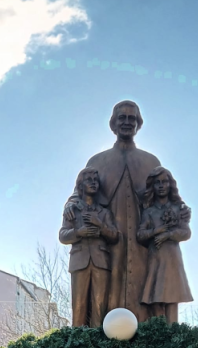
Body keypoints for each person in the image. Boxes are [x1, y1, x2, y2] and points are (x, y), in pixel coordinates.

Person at [70, 101, 161, 320]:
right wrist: (69, 205)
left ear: (138, 124)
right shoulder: (97, 161)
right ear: (113, 124)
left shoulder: (150, 162)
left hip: (141, 240)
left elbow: (165, 196)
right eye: (122, 118)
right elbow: (78, 191)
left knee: (141, 288)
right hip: (105, 239)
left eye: (132, 119)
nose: (127, 123)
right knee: (104, 293)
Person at [59, 168, 119, 327]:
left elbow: (114, 235)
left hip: (101, 262)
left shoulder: (104, 212)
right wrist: (79, 232)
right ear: (81, 185)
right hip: (79, 261)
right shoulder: (72, 210)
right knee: (79, 306)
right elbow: (63, 235)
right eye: (89, 180)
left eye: (95, 180)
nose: (93, 183)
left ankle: (98, 345)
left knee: (100, 307)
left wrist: (100, 225)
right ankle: (78, 344)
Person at [136, 167, 193, 323]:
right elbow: (140, 235)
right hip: (156, 258)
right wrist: (156, 231)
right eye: (157, 183)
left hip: (172, 257)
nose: (161, 186)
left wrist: (167, 235)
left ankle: (172, 335)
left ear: (170, 184)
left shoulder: (178, 208)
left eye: (165, 182)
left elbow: (186, 232)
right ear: (153, 186)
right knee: (155, 298)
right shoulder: (149, 212)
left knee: (171, 298)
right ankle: (160, 335)